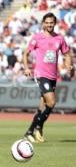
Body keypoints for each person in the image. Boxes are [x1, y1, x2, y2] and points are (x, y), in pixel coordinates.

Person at [23, 13, 73, 143]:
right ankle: (32, 130)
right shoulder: (37, 38)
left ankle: (36, 130)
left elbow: (67, 54)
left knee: (42, 107)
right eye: (47, 22)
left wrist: (69, 65)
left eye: (52, 22)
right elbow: (26, 53)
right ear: (43, 23)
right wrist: (27, 67)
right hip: (40, 74)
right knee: (51, 102)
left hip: (53, 76)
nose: (49, 25)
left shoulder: (59, 39)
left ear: (54, 23)